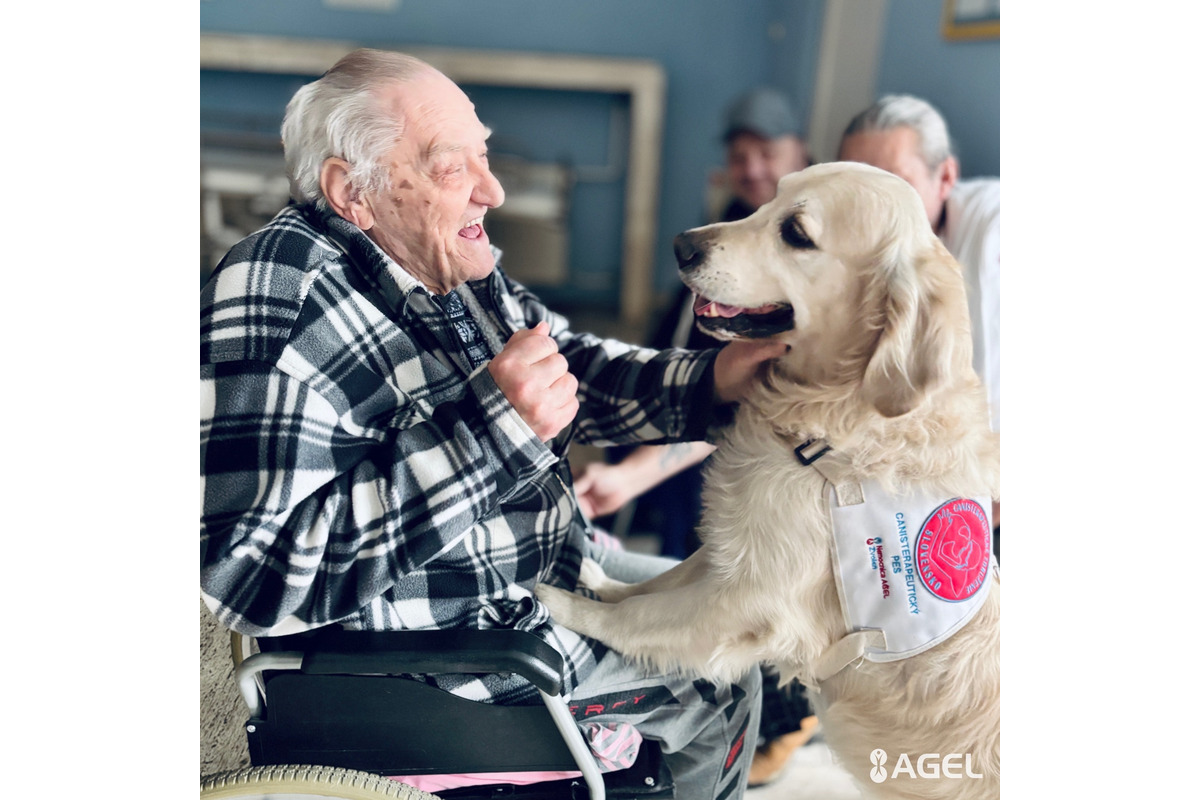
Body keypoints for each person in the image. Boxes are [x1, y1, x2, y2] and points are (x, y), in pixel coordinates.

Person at [199, 49, 786, 799]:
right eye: (454, 168)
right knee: (724, 680)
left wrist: (709, 382)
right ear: (353, 190)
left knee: (736, 609)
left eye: (486, 155)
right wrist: (494, 432)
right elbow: (249, 579)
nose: (494, 190)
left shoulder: (439, 262)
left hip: (537, 577)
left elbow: (565, 369)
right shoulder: (279, 294)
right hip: (452, 659)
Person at [573, 86, 818, 787]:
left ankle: (776, 720)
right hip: (698, 415)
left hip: (739, 448)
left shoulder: (802, 262)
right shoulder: (733, 227)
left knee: (731, 576)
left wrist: (631, 475)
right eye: (739, 155)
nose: (749, 167)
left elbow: (752, 398)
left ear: (798, 154)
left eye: (765, 153)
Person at [837, 94, 1001, 549]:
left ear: (945, 177)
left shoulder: (994, 230)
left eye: (896, 184)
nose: (871, 211)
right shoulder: (846, 249)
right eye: (856, 185)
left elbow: (994, 395)